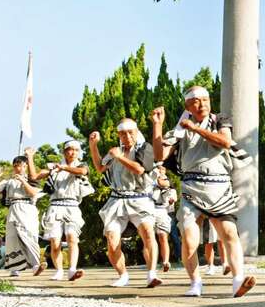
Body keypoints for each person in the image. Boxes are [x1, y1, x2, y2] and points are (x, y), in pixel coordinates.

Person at [150, 86, 255, 298]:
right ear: (188, 106)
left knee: (229, 233)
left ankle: (237, 281)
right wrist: (158, 126)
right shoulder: (180, 129)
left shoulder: (220, 120)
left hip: (219, 186)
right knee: (189, 238)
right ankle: (195, 282)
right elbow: (160, 154)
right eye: (197, 101)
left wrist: (195, 129)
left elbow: (225, 141)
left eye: (205, 100)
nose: (202, 104)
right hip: (191, 186)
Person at [89, 122, 162, 288]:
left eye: (130, 133)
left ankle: (151, 274)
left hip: (140, 198)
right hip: (117, 199)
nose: (127, 137)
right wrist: (93, 146)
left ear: (136, 132)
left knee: (148, 232)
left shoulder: (145, 148)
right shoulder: (116, 151)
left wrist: (119, 157)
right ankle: (122, 275)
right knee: (112, 239)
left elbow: (140, 169)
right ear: (119, 135)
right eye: (123, 134)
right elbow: (100, 167)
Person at [29, 140, 92, 281]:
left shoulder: (81, 165)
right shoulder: (54, 168)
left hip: (72, 206)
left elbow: (82, 172)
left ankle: (72, 269)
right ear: (64, 152)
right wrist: (30, 158)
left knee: (72, 238)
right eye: (70, 149)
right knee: (55, 241)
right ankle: (58, 271)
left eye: (76, 150)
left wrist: (63, 168)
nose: (73, 152)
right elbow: (34, 177)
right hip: (55, 206)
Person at [0, 153, 43, 277]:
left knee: (29, 236)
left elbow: (33, 193)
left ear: (26, 166)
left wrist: (23, 180)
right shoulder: (7, 182)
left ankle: (35, 265)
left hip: (28, 209)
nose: (18, 168)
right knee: (12, 238)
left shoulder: (32, 179)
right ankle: (14, 267)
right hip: (13, 208)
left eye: (21, 166)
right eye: (16, 166)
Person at [151, 163, 177, 273]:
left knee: (163, 237)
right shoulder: (150, 183)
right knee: (149, 238)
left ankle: (166, 261)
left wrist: (171, 200)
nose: (160, 171)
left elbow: (172, 199)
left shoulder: (170, 186)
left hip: (162, 212)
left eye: (162, 170)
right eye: (158, 170)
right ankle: (152, 263)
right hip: (149, 210)